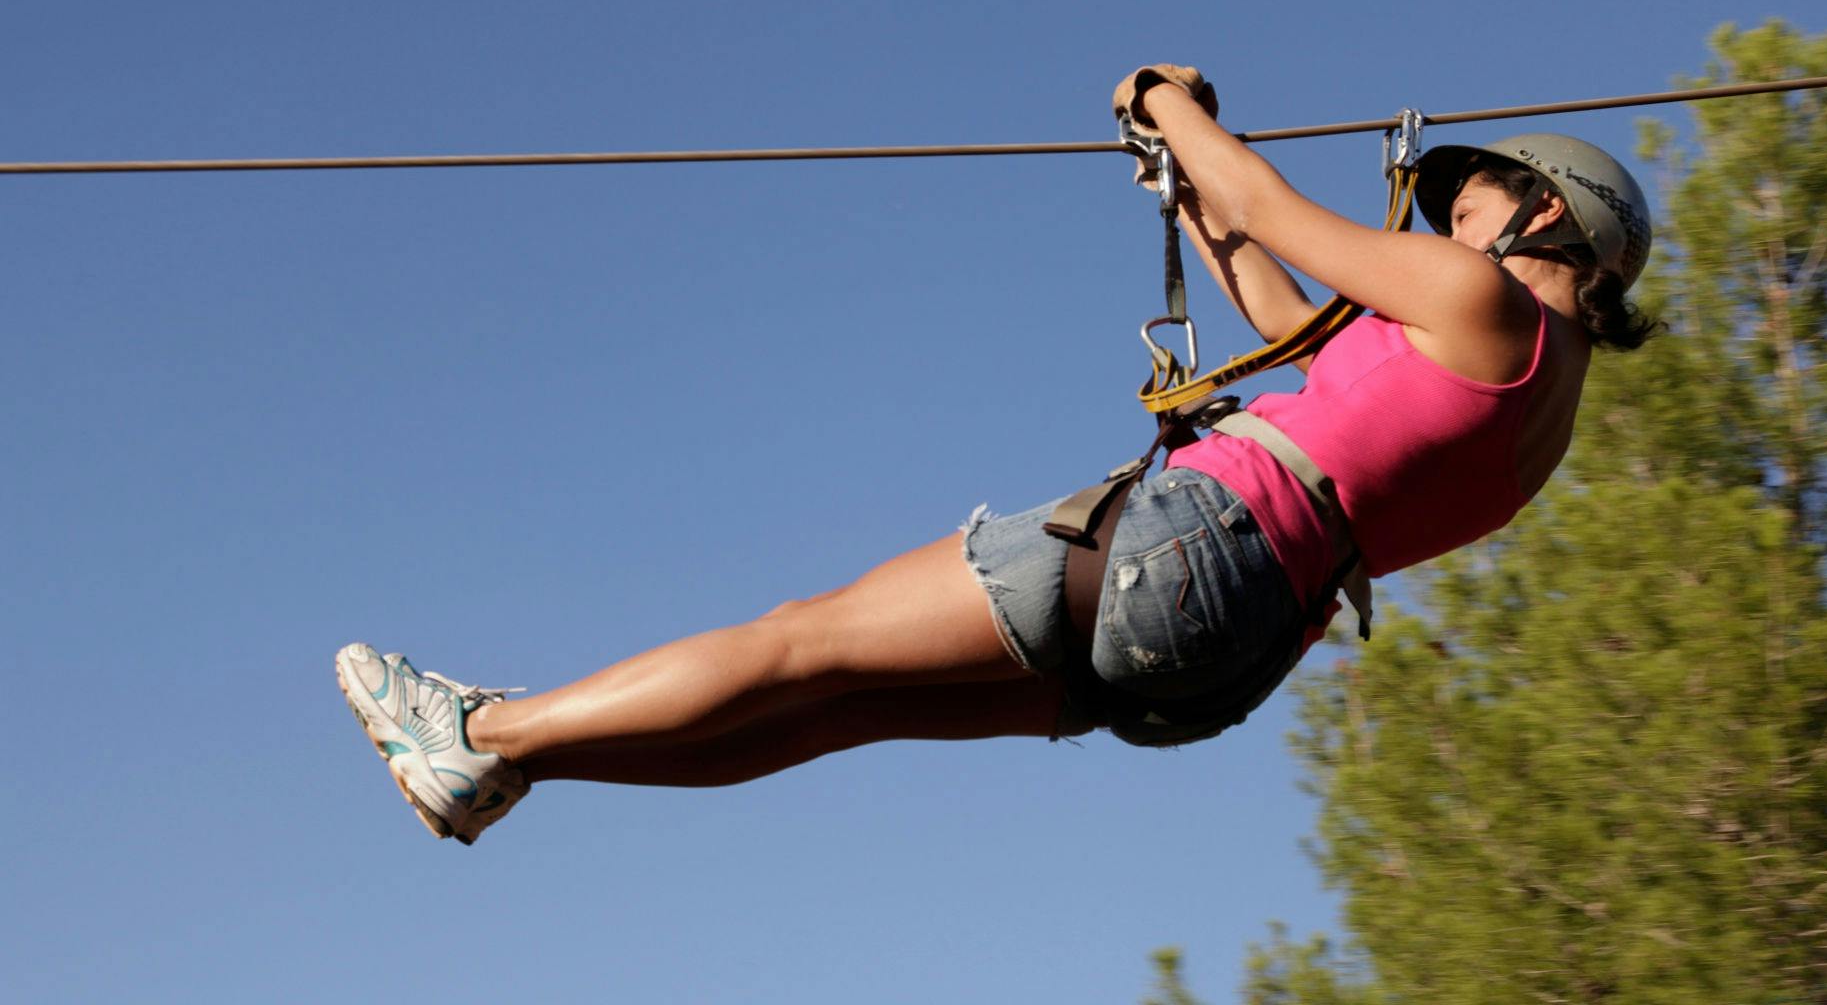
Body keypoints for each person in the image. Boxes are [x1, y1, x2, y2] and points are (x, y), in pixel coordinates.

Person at [336, 65, 1657, 845]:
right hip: (1233, 646)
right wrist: (1183, 182)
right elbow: (1279, 304)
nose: (1448, 212)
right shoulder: (1539, 412)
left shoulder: (1476, 300)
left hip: (1194, 544)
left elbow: (1267, 204)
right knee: (843, 714)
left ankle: (487, 726)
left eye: (1470, 199)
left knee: (808, 641)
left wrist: (1173, 102)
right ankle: (514, 765)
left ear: (1543, 214)